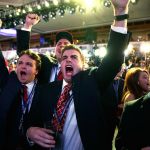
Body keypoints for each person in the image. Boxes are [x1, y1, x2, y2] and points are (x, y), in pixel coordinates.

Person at [26, 0, 131, 149]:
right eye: (64, 58)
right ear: (61, 65)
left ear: (83, 66)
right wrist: (30, 132)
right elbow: (30, 121)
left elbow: (114, 58)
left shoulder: (92, 81)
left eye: (74, 57)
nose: (68, 59)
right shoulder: (46, 90)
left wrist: (120, 12)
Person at [0, 50, 42, 150]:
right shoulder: (9, 82)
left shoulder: (44, 92)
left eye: (29, 64)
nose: (23, 66)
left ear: (36, 70)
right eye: (20, 63)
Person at [17, 13, 73, 84]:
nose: (61, 45)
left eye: (66, 43)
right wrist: (28, 25)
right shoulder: (44, 62)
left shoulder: (78, 70)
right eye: (59, 43)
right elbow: (23, 53)